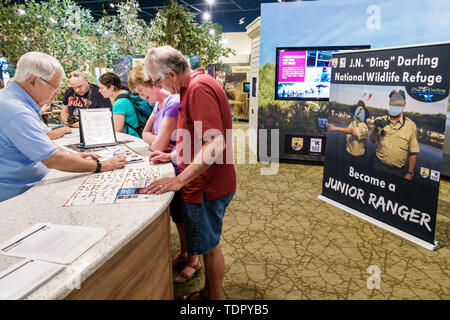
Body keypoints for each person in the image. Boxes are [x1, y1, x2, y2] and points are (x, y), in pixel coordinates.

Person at [142, 45, 236, 300]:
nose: (159, 87)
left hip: (206, 186)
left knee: (210, 247)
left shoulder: (197, 89)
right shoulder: (197, 83)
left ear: (171, 74)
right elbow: (194, 136)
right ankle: (209, 292)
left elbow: (215, 143)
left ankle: (212, 298)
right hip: (206, 182)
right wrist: (173, 155)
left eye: (157, 81)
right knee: (209, 244)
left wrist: (179, 179)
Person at [0, 52, 127, 203]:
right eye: (55, 86)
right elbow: (53, 159)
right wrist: (101, 165)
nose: (58, 92)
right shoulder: (15, 110)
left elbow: (44, 142)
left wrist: (74, 156)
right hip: (19, 197)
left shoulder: (14, 100)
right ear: (33, 81)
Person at [128, 64, 196, 284]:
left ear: (153, 84)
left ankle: (193, 260)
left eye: (142, 90)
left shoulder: (173, 102)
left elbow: (155, 143)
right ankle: (185, 253)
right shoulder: (158, 105)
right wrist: (155, 142)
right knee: (177, 214)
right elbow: (145, 134)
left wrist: (155, 143)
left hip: (180, 166)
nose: (141, 96)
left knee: (188, 214)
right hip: (167, 163)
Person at [369, 89, 420, 180]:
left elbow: (413, 151)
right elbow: (372, 141)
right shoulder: (381, 120)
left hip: (397, 171)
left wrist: (410, 173)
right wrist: (374, 127)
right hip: (378, 165)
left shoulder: (411, 126)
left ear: (404, 104)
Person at [98, 72, 141, 138]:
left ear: (112, 87)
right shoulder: (126, 93)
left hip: (132, 138)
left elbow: (117, 129)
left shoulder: (119, 103)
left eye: (102, 88)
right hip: (138, 134)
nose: (99, 91)